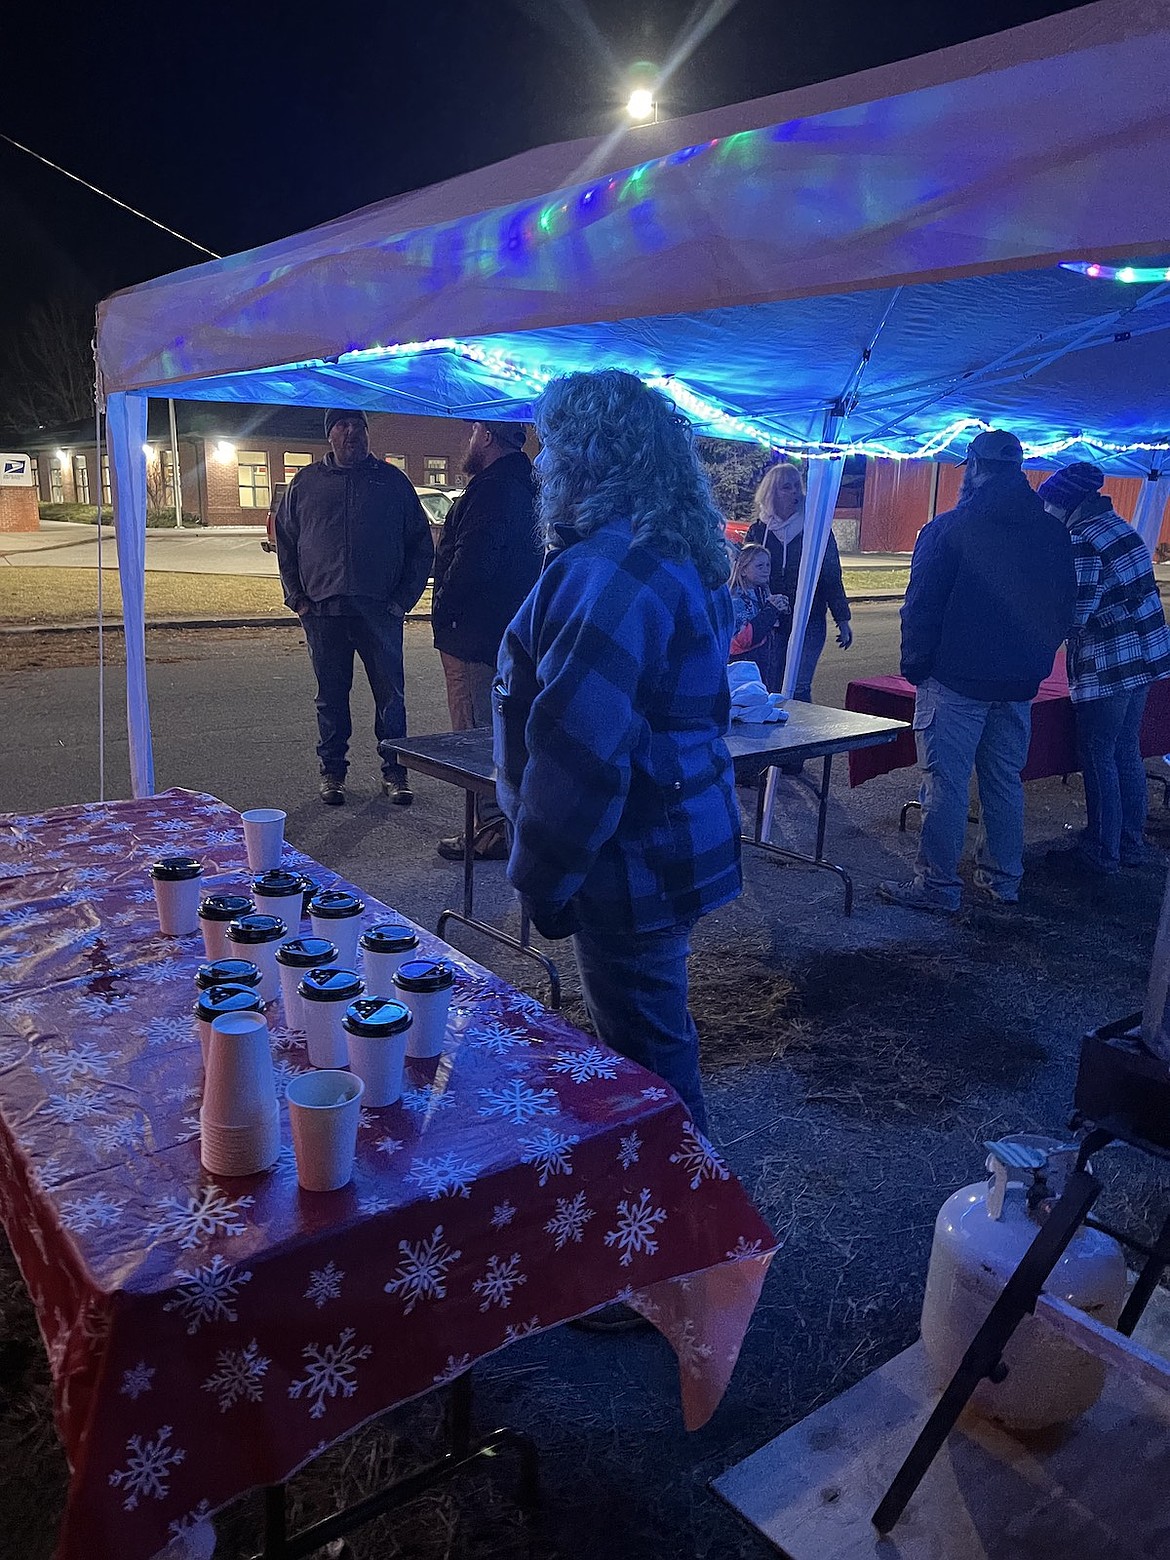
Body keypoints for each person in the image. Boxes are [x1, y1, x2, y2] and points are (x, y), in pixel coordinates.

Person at [493, 370, 741, 1134]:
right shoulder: (664, 548)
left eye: (550, 447)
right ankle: (684, 1208)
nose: (539, 465)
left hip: (629, 858)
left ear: (587, 458)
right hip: (668, 842)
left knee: (646, 1065)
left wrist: (542, 879)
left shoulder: (609, 572)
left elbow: (579, 758)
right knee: (656, 1037)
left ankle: (687, 1226)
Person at [878, 430, 1076, 914]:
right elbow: (1063, 609)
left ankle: (938, 885)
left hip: (957, 680)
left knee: (944, 784)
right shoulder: (1051, 532)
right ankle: (1003, 879)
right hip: (1016, 682)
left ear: (975, 467)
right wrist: (1034, 657)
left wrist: (917, 669)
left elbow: (921, 607)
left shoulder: (950, 528)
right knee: (1003, 780)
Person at [275, 409, 434, 806]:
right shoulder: (306, 483)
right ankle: (333, 773)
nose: (352, 433)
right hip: (324, 612)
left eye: (358, 425)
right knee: (330, 698)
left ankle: (395, 772)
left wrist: (402, 601)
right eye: (343, 425)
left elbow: (421, 545)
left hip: (379, 611)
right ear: (329, 434)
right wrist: (296, 596)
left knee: (390, 697)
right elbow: (286, 542)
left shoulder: (392, 482)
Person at [1037, 462, 1170, 873]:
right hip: (1143, 662)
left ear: (1068, 505)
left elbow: (1075, 614)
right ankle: (1129, 842)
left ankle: (1102, 850)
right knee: (1125, 750)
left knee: (1097, 754)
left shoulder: (1081, 540)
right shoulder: (1122, 528)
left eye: (1051, 505)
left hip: (1108, 666)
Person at [431, 421, 541, 861]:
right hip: (508, 632)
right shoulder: (529, 484)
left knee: (476, 733)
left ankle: (490, 830)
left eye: (473, 432)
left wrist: (446, 605)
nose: (468, 442)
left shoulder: (492, 489)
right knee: (503, 732)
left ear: (487, 436)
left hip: (475, 636)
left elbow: (474, 561)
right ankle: (503, 823)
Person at [745, 459, 852, 699]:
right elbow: (745, 574)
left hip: (809, 619)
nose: (795, 491)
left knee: (799, 687)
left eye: (797, 485)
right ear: (772, 491)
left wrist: (842, 618)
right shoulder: (758, 531)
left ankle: (803, 734)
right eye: (786, 487)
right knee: (772, 685)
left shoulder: (814, 527)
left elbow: (831, 574)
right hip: (772, 621)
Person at [729, 542, 789, 688]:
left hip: (763, 663)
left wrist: (782, 609)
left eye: (768, 565)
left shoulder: (763, 591)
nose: (766, 570)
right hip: (744, 669)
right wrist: (771, 610)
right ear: (743, 570)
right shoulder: (737, 598)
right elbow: (745, 639)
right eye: (759, 566)